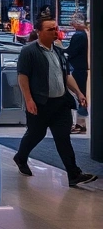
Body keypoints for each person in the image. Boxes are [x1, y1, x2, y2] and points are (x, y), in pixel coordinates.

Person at [13, 17, 97, 187]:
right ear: (39, 32)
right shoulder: (29, 51)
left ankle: (74, 174)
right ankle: (21, 157)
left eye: (55, 28)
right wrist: (29, 100)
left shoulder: (58, 51)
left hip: (61, 103)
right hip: (40, 103)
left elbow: (66, 76)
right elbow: (23, 77)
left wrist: (78, 92)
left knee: (63, 138)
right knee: (36, 134)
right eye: (50, 29)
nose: (55, 32)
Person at [67, 15, 89, 133]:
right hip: (83, 68)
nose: (71, 24)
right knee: (82, 94)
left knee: (79, 95)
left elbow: (71, 52)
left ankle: (81, 124)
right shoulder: (86, 34)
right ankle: (81, 123)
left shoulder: (78, 35)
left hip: (77, 68)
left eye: (73, 22)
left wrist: (60, 50)